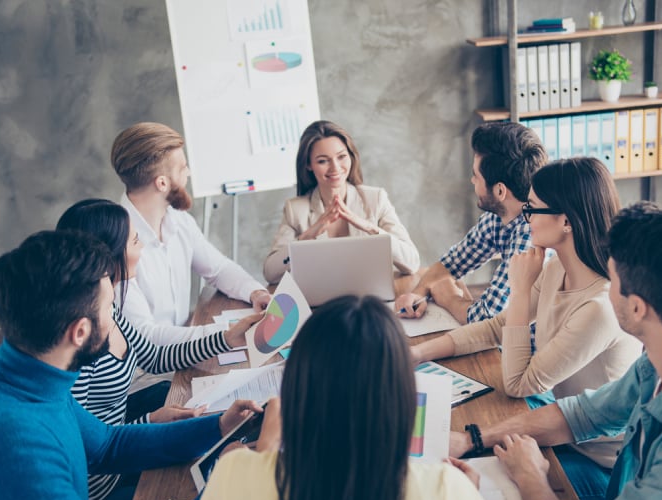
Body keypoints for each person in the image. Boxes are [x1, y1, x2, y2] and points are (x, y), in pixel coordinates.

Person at [460, 202, 662, 500]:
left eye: (612, 279)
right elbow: (583, 414)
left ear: (636, 308)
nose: (606, 288)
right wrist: (471, 439)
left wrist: (531, 474)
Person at [0, 230, 262, 500]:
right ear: (79, 332)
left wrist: (218, 427)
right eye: (109, 309)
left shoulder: (30, 370)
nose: (115, 317)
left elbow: (107, 445)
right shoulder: (10, 445)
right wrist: (227, 491)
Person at [413, 158, 642, 500]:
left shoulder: (599, 306)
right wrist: (416, 353)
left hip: (597, 463)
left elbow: (519, 383)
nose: (525, 218)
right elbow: (495, 327)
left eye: (532, 209)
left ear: (566, 221)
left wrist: (520, 292)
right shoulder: (554, 269)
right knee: (468, 419)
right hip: (562, 423)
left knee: (482, 485)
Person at [199, 295, 492, 500]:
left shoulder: (233, 476)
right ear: (400, 397)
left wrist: (260, 455)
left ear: (296, 388)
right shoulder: (449, 495)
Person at [56, 198, 262, 500]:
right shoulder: (79, 347)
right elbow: (91, 448)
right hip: (102, 489)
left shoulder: (110, 306)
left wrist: (226, 338)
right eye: (135, 240)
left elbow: (153, 356)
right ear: (108, 258)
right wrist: (149, 422)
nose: (142, 246)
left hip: (121, 444)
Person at [111, 122, 271, 346]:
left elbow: (219, 269)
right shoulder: (116, 243)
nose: (189, 173)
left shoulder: (179, 221)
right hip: (147, 375)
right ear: (162, 183)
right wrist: (225, 334)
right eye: (182, 168)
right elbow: (145, 337)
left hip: (187, 349)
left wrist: (255, 293)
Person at [395, 121, 547, 324]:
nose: (472, 181)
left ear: (500, 191)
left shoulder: (531, 236)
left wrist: (448, 297)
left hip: (528, 348)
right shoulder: (500, 215)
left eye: (476, 176)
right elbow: (453, 262)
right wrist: (418, 294)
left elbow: (489, 319)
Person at [263, 120, 420, 284]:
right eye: (323, 161)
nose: (335, 168)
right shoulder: (295, 209)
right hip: (321, 302)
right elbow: (271, 273)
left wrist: (371, 228)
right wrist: (308, 235)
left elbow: (411, 263)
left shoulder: (376, 199)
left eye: (342, 157)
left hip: (369, 300)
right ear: (309, 165)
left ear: (351, 157)